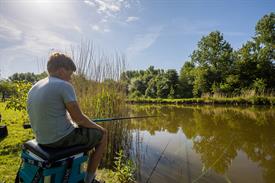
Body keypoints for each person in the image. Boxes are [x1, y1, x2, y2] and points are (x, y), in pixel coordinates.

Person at [27, 52, 107, 183]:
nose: (70, 79)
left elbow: (54, 114)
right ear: (61, 70)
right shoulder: (64, 85)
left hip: (41, 138)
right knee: (103, 135)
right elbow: (79, 119)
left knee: (83, 130)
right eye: (69, 74)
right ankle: (89, 179)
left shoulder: (35, 87)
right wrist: (99, 128)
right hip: (58, 140)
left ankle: (80, 169)